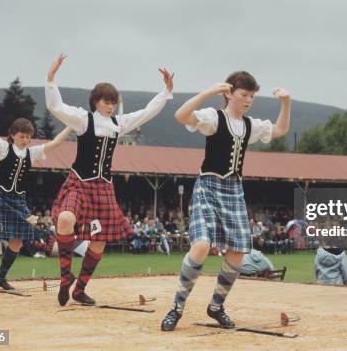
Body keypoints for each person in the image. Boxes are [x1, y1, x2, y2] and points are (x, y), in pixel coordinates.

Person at [160, 71, 291, 331]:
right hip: (208, 186)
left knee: (238, 254)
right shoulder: (213, 118)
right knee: (201, 247)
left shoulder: (250, 125)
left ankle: (216, 307)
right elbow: (181, 116)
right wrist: (208, 92)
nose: (249, 100)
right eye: (244, 95)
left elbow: (280, 130)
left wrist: (286, 103)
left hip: (234, 189)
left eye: (252, 96)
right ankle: (177, 307)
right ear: (229, 93)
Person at [45, 53, 174, 306]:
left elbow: (146, 113)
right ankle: (64, 277)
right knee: (65, 218)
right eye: (106, 101)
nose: (110, 105)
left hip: (103, 187)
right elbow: (55, 107)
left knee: (99, 240)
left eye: (113, 101)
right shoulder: (83, 119)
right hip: (79, 181)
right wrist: (51, 78)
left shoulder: (118, 124)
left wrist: (166, 91)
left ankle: (79, 289)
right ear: (95, 101)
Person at [0, 95, 71, 292]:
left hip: (17, 200)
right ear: (13, 135)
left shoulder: (32, 153)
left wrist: (71, 124)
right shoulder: (2, 147)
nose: (25, 140)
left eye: (28, 136)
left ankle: (1, 278)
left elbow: (56, 142)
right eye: (22, 136)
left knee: (17, 241)